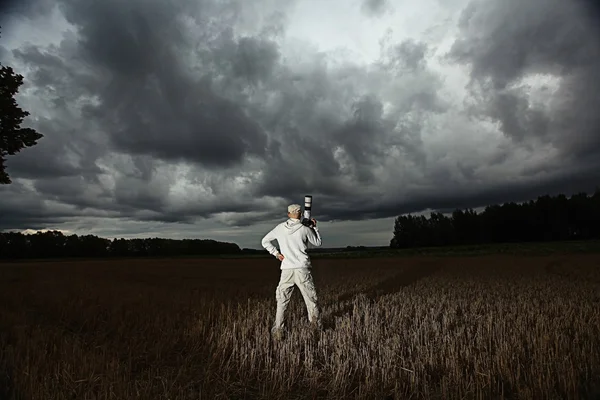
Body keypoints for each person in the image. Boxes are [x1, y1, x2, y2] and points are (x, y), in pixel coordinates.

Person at [261, 203, 323, 338]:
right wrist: (314, 227)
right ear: (300, 214)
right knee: (310, 300)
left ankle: (278, 331)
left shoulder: (279, 228)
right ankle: (315, 330)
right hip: (302, 268)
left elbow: (265, 241)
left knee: (282, 301)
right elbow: (318, 243)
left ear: (288, 214)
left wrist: (276, 254)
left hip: (286, 269)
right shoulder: (304, 229)